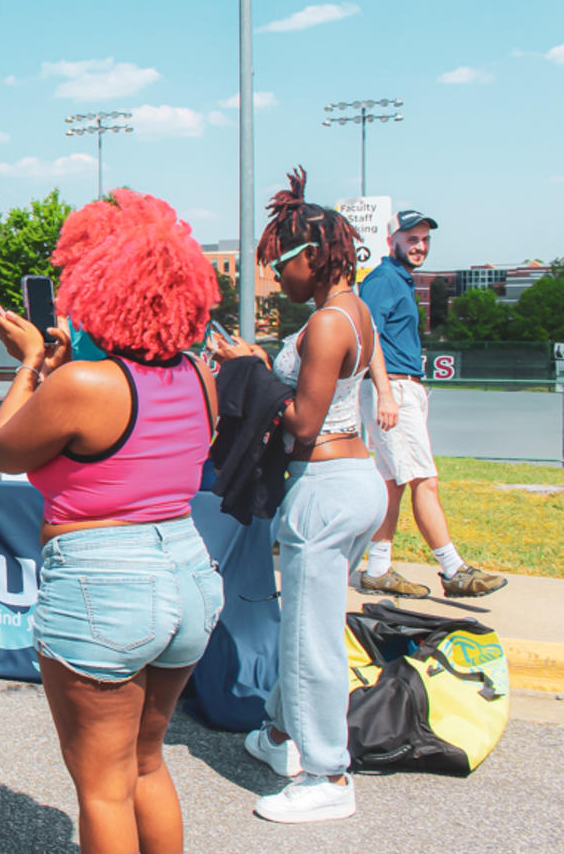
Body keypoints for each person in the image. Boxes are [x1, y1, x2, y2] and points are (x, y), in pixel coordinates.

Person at [0, 190, 222, 853]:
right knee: (147, 761)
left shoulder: (83, 385)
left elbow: (5, 447)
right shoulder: (199, 375)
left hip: (103, 582)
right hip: (189, 573)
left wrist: (31, 362)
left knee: (101, 786)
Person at [212, 167, 388, 823]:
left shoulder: (326, 326)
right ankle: (281, 735)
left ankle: (327, 777)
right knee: (304, 628)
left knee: (312, 641)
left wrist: (249, 370)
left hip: (325, 487)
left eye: (277, 264)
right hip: (352, 484)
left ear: (311, 256)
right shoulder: (352, 312)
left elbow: (300, 422)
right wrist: (256, 359)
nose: (273, 279)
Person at [357, 211, 507, 598]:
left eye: (424, 240)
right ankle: (453, 569)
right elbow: (366, 334)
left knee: (392, 484)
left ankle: (377, 569)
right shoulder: (384, 280)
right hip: (393, 389)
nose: (420, 246)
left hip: (404, 389)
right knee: (426, 479)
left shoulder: (401, 280)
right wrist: (386, 391)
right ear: (393, 240)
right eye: (412, 239)